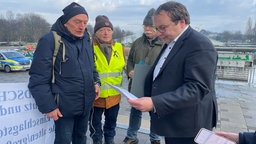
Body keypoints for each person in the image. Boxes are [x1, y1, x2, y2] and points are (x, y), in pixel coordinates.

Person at [127, 1, 218, 144]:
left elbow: (197, 88)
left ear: (181, 22)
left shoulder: (200, 45)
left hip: (189, 127)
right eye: (157, 28)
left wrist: (154, 102)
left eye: (162, 28)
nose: (159, 33)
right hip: (174, 121)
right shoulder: (172, 41)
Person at [28, 2, 100, 144]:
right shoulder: (49, 40)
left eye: (85, 22)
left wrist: (96, 82)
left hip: (85, 104)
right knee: (63, 141)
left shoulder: (87, 39)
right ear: (65, 22)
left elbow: (92, 67)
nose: (82, 27)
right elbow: (38, 78)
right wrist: (49, 106)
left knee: (81, 139)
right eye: (77, 22)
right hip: (63, 108)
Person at [123, 8, 163, 144]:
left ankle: (155, 138)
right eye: (145, 26)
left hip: (156, 86)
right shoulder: (137, 43)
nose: (147, 29)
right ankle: (131, 136)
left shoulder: (164, 44)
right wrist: (129, 71)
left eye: (151, 26)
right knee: (135, 112)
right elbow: (129, 60)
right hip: (137, 85)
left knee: (155, 113)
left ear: (157, 27)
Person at [89, 15, 126, 144]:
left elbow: (125, 67)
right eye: (101, 30)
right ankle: (97, 141)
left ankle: (110, 140)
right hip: (96, 97)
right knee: (95, 124)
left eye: (109, 30)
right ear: (96, 33)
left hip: (114, 96)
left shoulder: (119, 47)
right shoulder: (89, 47)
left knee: (111, 123)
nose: (106, 33)